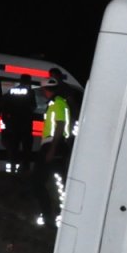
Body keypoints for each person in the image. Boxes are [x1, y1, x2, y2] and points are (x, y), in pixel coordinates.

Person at [31, 79, 71, 226]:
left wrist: (52, 149)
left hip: (53, 145)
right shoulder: (57, 102)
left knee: (39, 182)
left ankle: (49, 217)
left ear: (45, 90)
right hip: (54, 145)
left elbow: (60, 125)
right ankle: (56, 215)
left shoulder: (57, 103)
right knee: (56, 181)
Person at [0, 74, 37, 173]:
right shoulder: (30, 92)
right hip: (25, 126)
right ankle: (24, 171)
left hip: (13, 126)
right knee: (26, 151)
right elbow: (33, 107)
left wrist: (6, 123)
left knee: (13, 150)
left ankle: (12, 171)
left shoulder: (11, 91)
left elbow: (4, 107)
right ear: (28, 82)